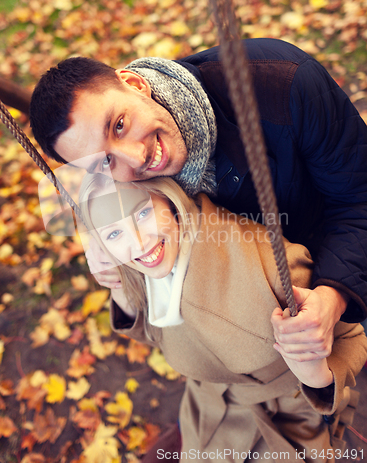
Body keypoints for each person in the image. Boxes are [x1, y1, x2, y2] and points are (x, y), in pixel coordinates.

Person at [29, 37, 367, 363]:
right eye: (104, 161)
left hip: (342, 258)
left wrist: (334, 295)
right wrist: (107, 251)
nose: (136, 157)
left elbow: (359, 199)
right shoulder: (116, 183)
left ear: (134, 84)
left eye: (119, 125)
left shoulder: (283, 82)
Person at [78, 173, 367, 462]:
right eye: (113, 234)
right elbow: (156, 335)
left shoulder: (266, 265)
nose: (138, 242)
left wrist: (315, 376)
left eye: (142, 213)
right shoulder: (150, 270)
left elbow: (350, 335)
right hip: (204, 407)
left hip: (288, 417)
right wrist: (119, 285)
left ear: (168, 201)